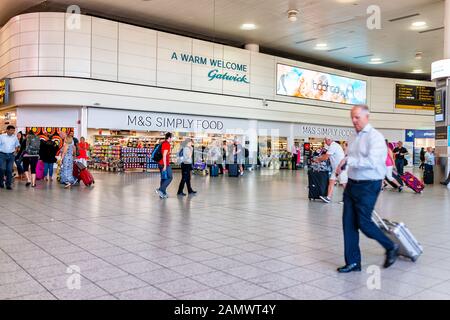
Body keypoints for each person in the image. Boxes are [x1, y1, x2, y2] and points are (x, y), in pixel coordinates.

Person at [335, 105, 399, 273]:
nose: (354, 121)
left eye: (357, 117)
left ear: (367, 117)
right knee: (348, 224)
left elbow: (372, 162)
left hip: (369, 184)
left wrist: (349, 162)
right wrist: (344, 161)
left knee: (364, 223)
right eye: (352, 117)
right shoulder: (353, 136)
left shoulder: (375, 137)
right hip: (352, 184)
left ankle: (391, 246)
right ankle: (353, 263)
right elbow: (352, 156)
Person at [314, 138, 346, 203]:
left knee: (344, 184)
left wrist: (318, 159)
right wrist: (319, 157)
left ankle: (348, 199)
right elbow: (325, 155)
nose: (325, 142)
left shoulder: (333, 146)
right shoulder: (331, 146)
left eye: (326, 141)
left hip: (341, 168)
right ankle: (328, 197)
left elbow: (326, 157)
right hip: (335, 168)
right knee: (331, 182)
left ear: (330, 140)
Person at [0, 125, 20, 190]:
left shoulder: (15, 138)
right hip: (2, 155)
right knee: (2, 169)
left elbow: (17, 145)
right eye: (11, 130)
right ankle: (1, 183)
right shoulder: (1, 136)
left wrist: (16, 151)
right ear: (7, 130)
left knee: (9, 170)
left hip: (11, 155)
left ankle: (8, 184)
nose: (13, 132)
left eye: (13, 130)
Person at [155, 132, 173, 199]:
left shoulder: (163, 143)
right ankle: (160, 189)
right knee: (170, 177)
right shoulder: (167, 144)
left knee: (163, 178)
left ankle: (162, 194)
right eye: (172, 137)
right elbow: (164, 155)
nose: (172, 139)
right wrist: (165, 165)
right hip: (164, 164)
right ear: (169, 138)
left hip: (160, 163)